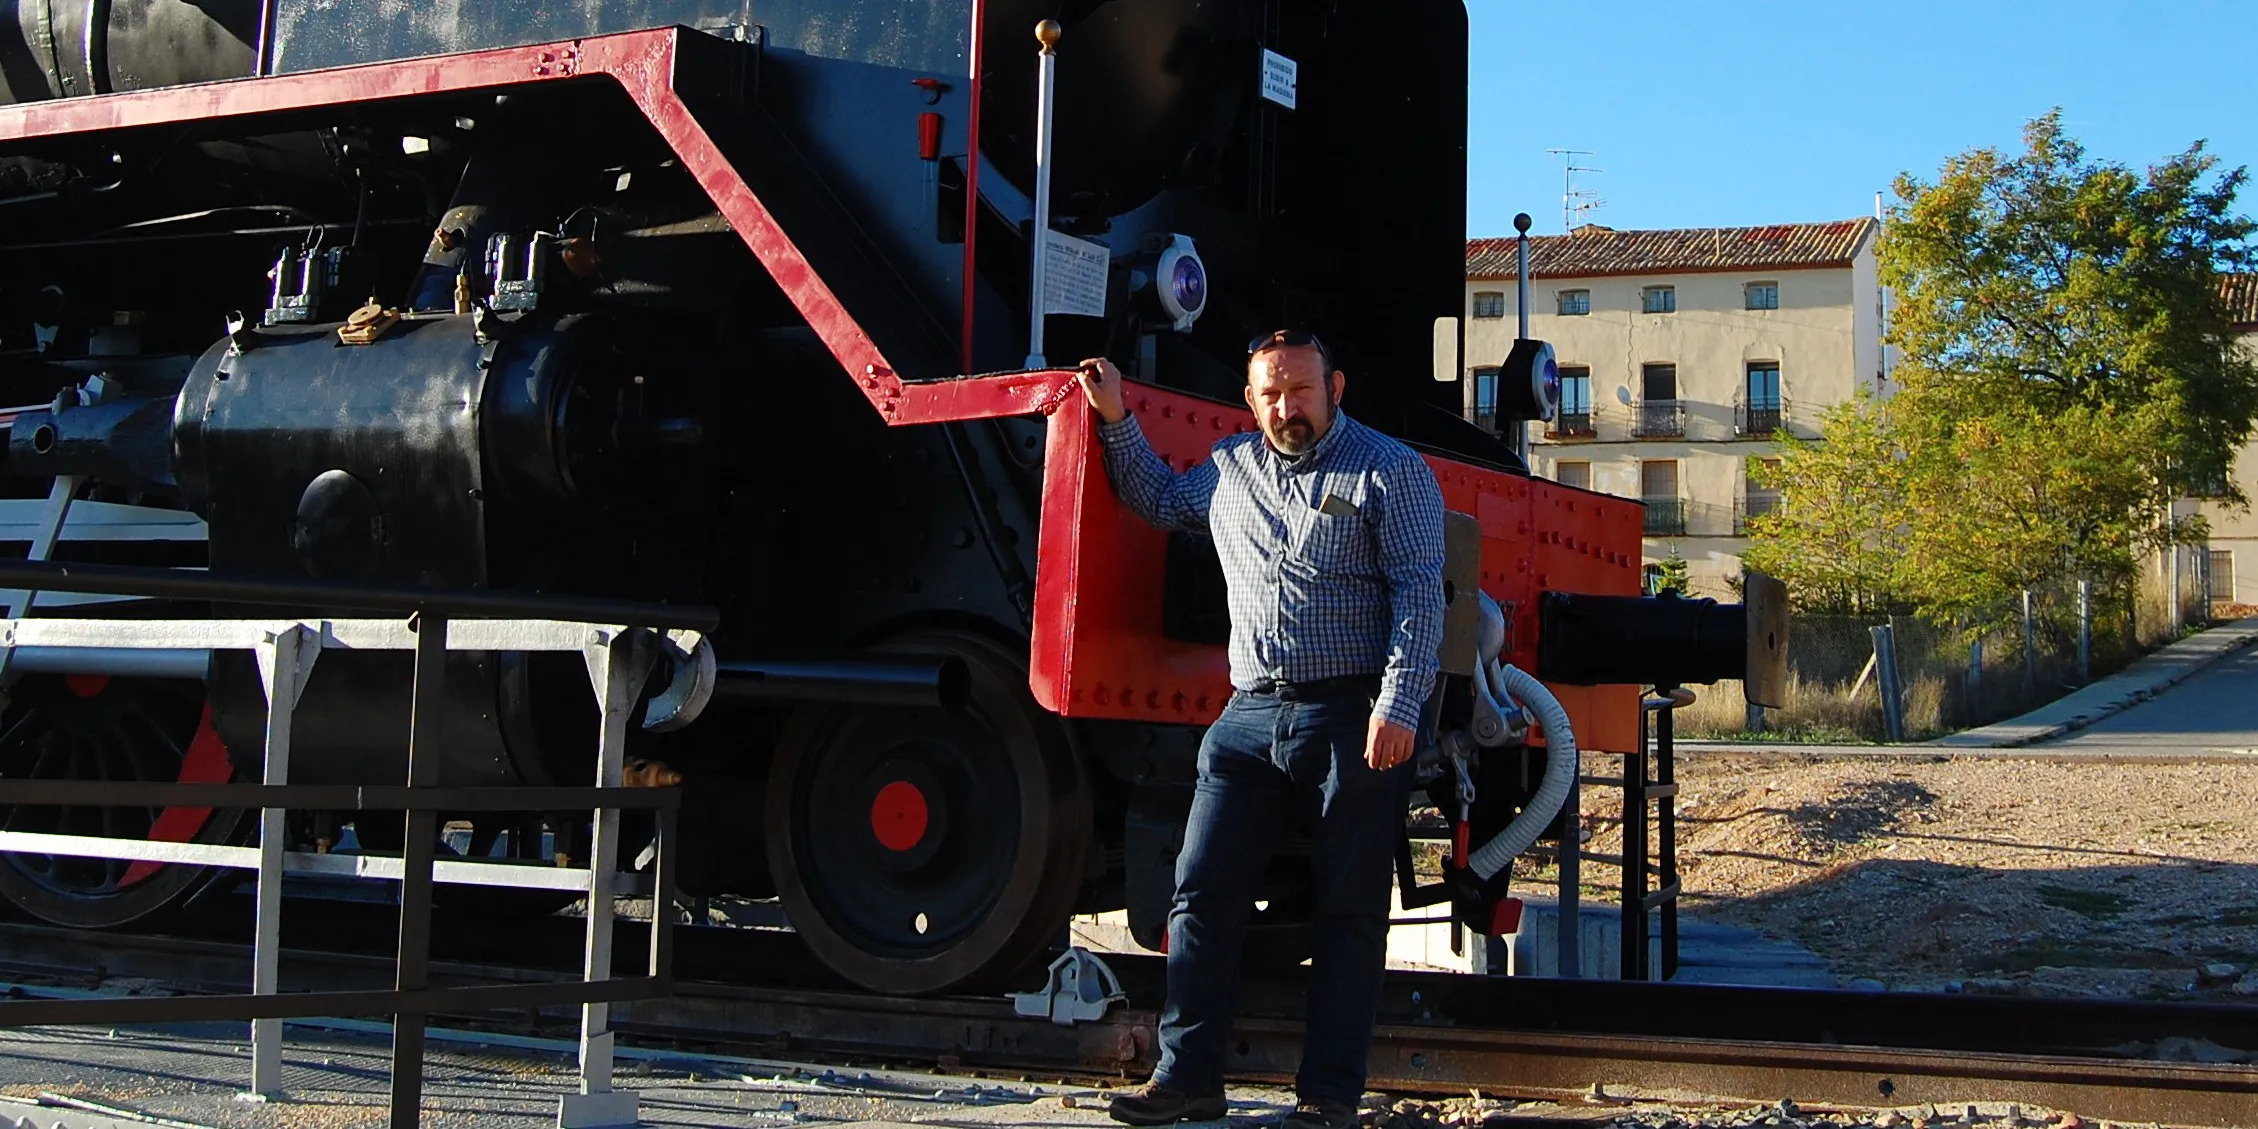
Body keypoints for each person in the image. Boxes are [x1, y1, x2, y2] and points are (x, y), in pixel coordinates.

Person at [1079, 332, 1445, 1129]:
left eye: (1301, 390)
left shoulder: (1391, 470)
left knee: (1349, 911)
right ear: (1250, 400)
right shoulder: (1230, 467)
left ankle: (1329, 1097)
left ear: (1335, 387)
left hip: (1352, 714)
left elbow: (1421, 594)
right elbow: (1157, 498)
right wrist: (1114, 417)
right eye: (1271, 395)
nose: (1287, 408)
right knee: (1200, 893)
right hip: (1248, 716)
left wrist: (1399, 704)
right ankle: (1187, 1079)